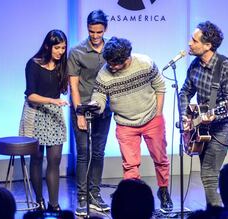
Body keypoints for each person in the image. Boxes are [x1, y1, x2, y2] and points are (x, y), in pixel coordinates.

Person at [90, 37, 173, 211]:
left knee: (160, 159)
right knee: (130, 164)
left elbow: (160, 86)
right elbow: (99, 96)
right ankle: (132, 200)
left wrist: (158, 114)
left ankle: (164, 190)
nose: (111, 66)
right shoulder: (104, 74)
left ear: (126, 58)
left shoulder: (145, 63)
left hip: (151, 119)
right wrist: (95, 106)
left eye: (115, 63)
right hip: (125, 124)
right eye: (109, 63)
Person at [179, 21, 228, 207]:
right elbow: (184, 92)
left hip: (223, 127)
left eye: (194, 40)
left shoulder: (225, 67)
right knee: (208, 175)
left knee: (209, 174)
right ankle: (212, 213)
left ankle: (218, 215)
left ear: (208, 46)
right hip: (201, 127)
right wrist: (185, 116)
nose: (190, 43)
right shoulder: (195, 65)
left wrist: (214, 115)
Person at [67, 9, 112, 216]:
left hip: (104, 109)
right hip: (82, 109)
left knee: (98, 153)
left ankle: (95, 195)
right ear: (87, 28)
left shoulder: (111, 49)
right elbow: (73, 87)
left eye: (99, 32)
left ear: (105, 30)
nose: (95, 36)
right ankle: (82, 197)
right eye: (92, 32)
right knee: (83, 153)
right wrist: (78, 113)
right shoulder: (77, 52)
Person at [19, 29, 69, 211]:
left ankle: (54, 204)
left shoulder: (63, 65)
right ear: (48, 46)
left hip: (54, 115)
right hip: (35, 114)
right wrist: (51, 101)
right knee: (37, 158)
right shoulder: (33, 65)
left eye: (63, 48)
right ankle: (39, 201)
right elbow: (30, 95)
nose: (61, 52)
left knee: (54, 159)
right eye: (57, 48)